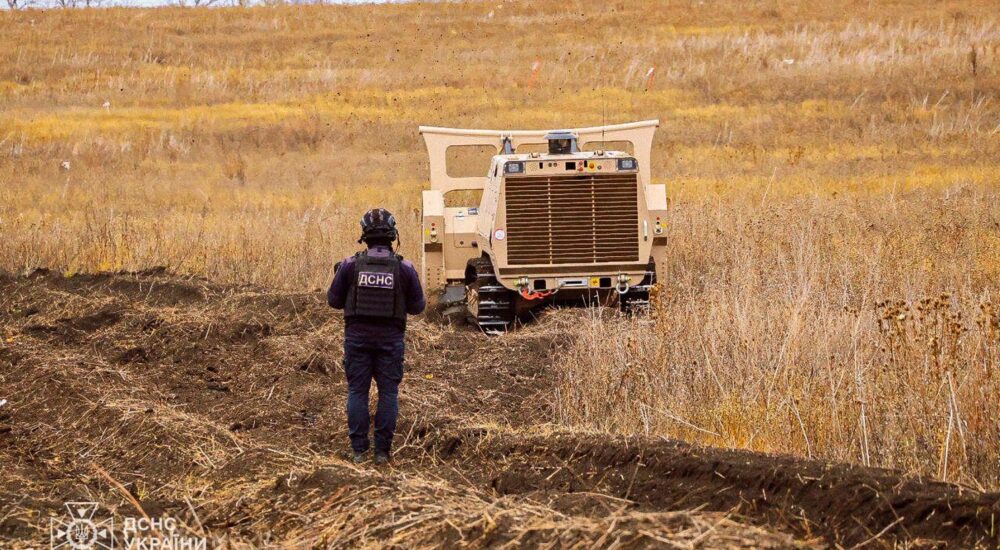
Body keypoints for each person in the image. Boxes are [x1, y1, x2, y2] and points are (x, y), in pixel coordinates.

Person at [327, 208, 425, 465]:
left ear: (364, 235)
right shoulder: (405, 268)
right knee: (388, 393)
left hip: (357, 340)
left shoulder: (349, 265)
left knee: (357, 392)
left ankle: (359, 452)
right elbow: (418, 307)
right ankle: (382, 452)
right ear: (393, 234)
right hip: (391, 342)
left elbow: (334, 301)